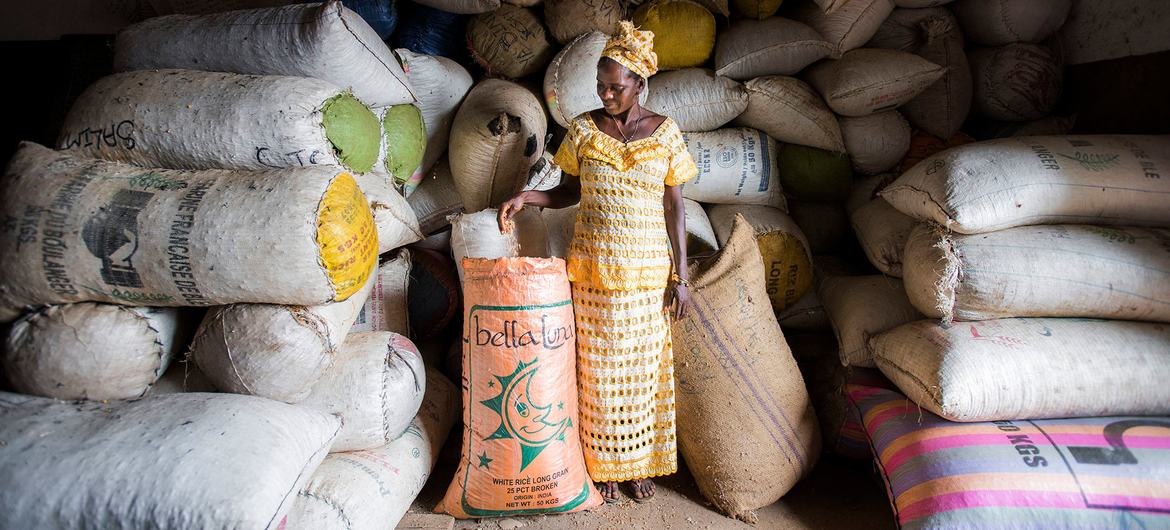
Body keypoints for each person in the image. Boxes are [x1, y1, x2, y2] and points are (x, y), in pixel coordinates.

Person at [496, 21, 697, 503]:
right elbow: (569, 192)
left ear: (640, 84)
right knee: (595, 373)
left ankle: (636, 467)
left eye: (616, 87)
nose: (606, 94)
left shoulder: (666, 134)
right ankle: (600, 466)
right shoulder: (584, 130)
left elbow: (675, 206)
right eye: (600, 86)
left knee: (640, 374)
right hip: (593, 274)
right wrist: (529, 195)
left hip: (646, 277)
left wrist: (681, 276)